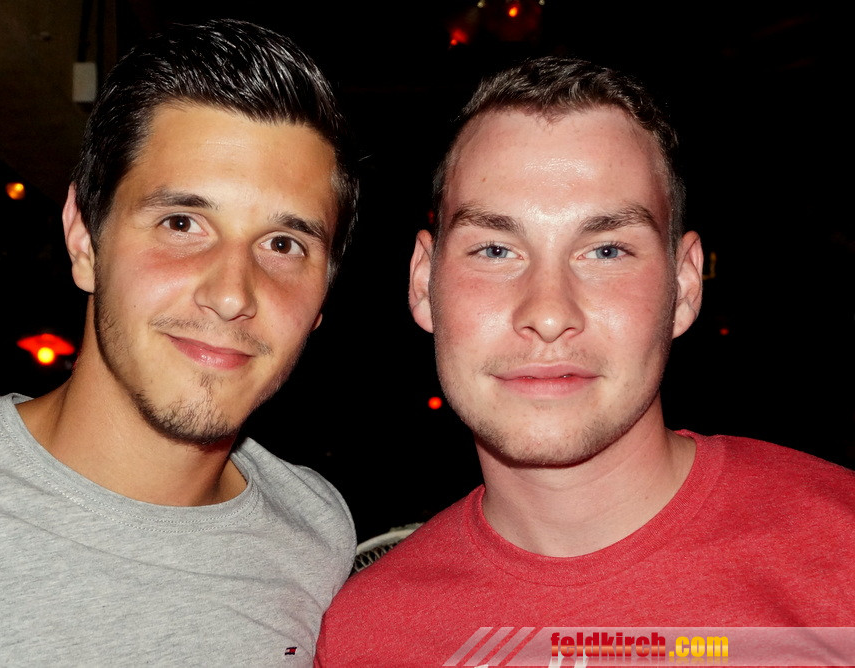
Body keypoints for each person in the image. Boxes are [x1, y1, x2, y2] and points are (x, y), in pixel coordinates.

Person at [315, 56, 855, 666]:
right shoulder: (365, 636)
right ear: (423, 283)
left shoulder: (843, 549)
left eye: (606, 251)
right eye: (495, 250)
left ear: (683, 287)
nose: (548, 313)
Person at [0, 19, 359, 665]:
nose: (233, 294)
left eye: (283, 244)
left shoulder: (316, 534)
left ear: (323, 296)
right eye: (182, 223)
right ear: (84, 240)